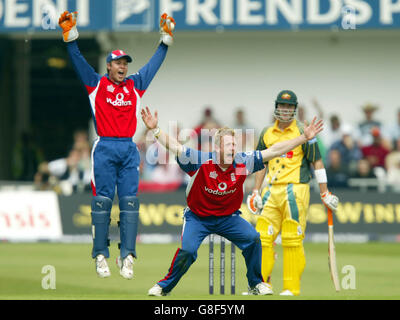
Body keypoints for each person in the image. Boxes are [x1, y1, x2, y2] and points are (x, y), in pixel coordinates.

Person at [140, 106, 324, 296]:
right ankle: (164, 287)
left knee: (253, 239)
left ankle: (255, 283)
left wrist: (303, 138)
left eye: (234, 144)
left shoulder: (242, 164)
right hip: (198, 218)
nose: (233, 148)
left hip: (228, 218)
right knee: (187, 251)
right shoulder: (201, 161)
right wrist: (155, 130)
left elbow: (274, 151)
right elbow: (175, 147)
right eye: (229, 145)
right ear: (218, 147)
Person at [58, 11, 175, 279]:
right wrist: (70, 38)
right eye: (118, 62)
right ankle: (100, 255)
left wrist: (165, 40)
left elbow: (153, 65)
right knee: (102, 202)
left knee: (131, 203)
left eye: (125, 63)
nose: (122, 66)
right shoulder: (96, 85)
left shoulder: (135, 84)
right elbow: (78, 62)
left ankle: (128, 256)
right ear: (109, 66)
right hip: (105, 148)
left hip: (128, 149)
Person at [247, 90, 339, 296]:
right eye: (282, 106)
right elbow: (261, 163)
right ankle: (261, 285)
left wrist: (325, 192)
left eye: (289, 107)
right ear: (276, 107)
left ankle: (291, 287)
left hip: (296, 188)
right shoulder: (266, 133)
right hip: (271, 190)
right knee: (261, 237)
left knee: (291, 239)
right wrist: (255, 191)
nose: (285, 110)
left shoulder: (304, 132)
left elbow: (317, 161)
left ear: (295, 109)